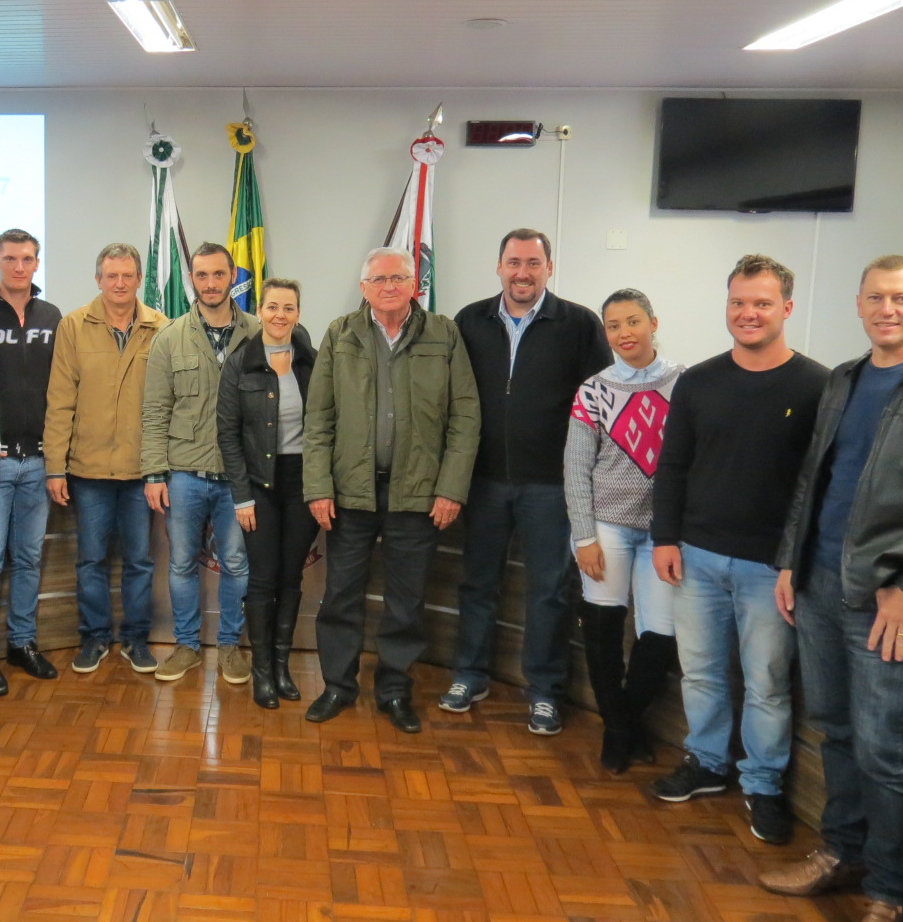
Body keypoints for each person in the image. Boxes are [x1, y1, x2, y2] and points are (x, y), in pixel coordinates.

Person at [759, 256, 903, 922]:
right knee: (837, 733)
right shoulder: (845, 379)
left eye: (902, 299)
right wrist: (792, 560)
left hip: (891, 603)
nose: (888, 309)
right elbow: (812, 480)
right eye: (876, 297)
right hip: (820, 587)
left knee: (884, 750)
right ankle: (841, 853)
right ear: (859, 304)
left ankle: (891, 889)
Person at [649, 254, 827, 846]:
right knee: (700, 672)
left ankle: (764, 785)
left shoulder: (818, 386)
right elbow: (672, 466)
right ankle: (706, 763)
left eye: (761, 303)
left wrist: (792, 562)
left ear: (787, 309)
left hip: (769, 569)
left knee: (767, 682)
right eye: (738, 303)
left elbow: (817, 485)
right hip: (695, 555)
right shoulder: (698, 380)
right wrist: (666, 537)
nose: (748, 314)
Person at [303, 247, 480, 732]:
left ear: (414, 284)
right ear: (363, 288)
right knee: (340, 596)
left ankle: (395, 691)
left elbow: (465, 417)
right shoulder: (340, 334)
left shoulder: (443, 334)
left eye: (398, 277)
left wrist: (451, 489)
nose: (388, 286)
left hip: (419, 494)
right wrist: (318, 487)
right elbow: (317, 420)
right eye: (378, 279)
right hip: (349, 495)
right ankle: (338, 687)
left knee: (407, 600)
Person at [447, 228, 611, 735]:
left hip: (551, 485)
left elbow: (599, 405)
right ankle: (469, 674)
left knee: (549, 591)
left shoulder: (580, 324)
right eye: (514, 262)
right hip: (483, 479)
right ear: (499, 267)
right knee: (478, 583)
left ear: (549, 268)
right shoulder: (469, 321)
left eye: (533, 264)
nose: (522, 273)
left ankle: (543, 691)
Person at [564, 289, 684, 774]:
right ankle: (619, 734)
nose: (624, 333)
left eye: (633, 321)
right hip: (606, 527)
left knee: (660, 633)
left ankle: (623, 722)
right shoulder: (593, 390)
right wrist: (583, 535)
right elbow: (576, 468)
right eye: (613, 326)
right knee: (602, 629)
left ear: (654, 322)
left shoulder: (686, 385)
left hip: (664, 533)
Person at [44, 243, 170, 674]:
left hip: (142, 470)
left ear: (139, 280)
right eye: (111, 276)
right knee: (90, 560)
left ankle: (136, 640)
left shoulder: (162, 327)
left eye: (127, 276)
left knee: (139, 561)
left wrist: (162, 468)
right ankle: (95, 638)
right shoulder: (74, 326)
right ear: (98, 279)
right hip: (88, 470)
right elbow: (60, 401)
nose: (119, 283)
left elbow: (169, 404)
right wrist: (55, 466)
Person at [141, 243, 259, 684]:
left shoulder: (258, 332)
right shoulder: (170, 337)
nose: (210, 283)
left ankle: (230, 646)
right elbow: (154, 410)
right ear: (192, 279)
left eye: (218, 274)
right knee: (181, 563)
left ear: (232, 277)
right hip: (185, 473)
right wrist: (155, 473)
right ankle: (186, 646)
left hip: (238, 478)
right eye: (202, 275)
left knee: (235, 564)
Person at [0, 229, 63, 682]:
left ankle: (22, 642)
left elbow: (62, 389)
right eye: (10, 259)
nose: (18, 267)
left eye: (26, 259)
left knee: (28, 559)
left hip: (40, 460)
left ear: (37, 263)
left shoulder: (52, 315)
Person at [216, 278, 318, 708]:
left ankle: (281, 667)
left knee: (291, 577)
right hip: (258, 486)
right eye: (273, 306)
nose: (280, 315)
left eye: (289, 307)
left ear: (298, 313)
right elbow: (228, 434)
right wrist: (241, 497)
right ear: (260, 310)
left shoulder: (314, 361)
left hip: (304, 484)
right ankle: (261, 671)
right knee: (262, 578)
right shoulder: (240, 362)